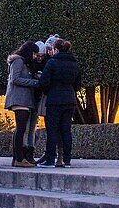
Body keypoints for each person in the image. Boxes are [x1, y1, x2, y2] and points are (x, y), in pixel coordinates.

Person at [37, 39, 82, 168]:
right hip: (70, 100)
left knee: (52, 130)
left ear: (56, 50)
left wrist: (49, 90)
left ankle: (50, 159)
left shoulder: (52, 62)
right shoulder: (75, 64)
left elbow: (43, 82)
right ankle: (67, 160)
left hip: (54, 100)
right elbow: (77, 85)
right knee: (66, 130)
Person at [4, 40, 40, 167]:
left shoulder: (24, 63)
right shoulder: (18, 61)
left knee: (21, 129)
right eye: (34, 54)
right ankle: (19, 158)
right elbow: (15, 79)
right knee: (21, 129)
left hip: (24, 99)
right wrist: (34, 82)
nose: (35, 56)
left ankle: (18, 158)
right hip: (19, 99)